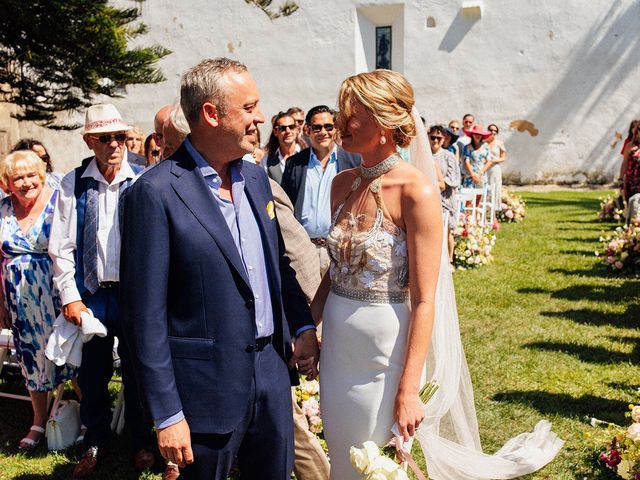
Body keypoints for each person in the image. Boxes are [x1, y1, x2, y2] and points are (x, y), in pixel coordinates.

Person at [313, 69, 563, 480]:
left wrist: (409, 390)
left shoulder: (416, 191)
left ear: (384, 122)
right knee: (343, 458)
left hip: (384, 352)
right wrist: (311, 322)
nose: (341, 123)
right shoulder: (341, 184)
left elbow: (426, 297)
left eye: (351, 113)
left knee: (374, 465)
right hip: (338, 347)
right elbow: (336, 267)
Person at [118, 57, 319, 480]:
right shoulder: (155, 193)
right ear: (211, 113)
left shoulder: (256, 178)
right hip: (202, 394)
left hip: (270, 376)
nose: (260, 117)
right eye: (249, 108)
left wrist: (300, 327)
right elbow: (143, 316)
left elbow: (275, 264)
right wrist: (168, 412)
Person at [49, 103, 154, 478]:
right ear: (89, 140)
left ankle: (142, 439)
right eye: (105, 138)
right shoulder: (73, 182)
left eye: (120, 137)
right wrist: (71, 299)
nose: (115, 145)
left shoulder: (144, 176)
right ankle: (96, 438)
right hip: (92, 294)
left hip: (134, 293)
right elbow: (60, 246)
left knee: (140, 369)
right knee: (92, 374)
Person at [0, 150, 78, 450]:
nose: (25, 182)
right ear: (7, 182)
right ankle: (38, 420)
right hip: (19, 303)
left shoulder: (57, 202)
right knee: (30, 359)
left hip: (55, 296)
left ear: (41, 175)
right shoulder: (3, 210)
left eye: (31, 175)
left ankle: (84, 419)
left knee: (69, 354)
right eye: (17, 177)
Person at [281, 105, 361, 275]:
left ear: (336, 129)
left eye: (328, 127)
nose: (323, 132)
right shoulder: (295, 164)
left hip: (341, 251)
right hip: (304, 250)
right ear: (308, 130)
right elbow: (285, 207)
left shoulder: (353, 162)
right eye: (317, 127)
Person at [429, 124, 460, 264]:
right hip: (427, 198)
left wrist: (437, 184)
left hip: (445, 198)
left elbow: (454, 178)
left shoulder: (448, 156)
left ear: (443, 140)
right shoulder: (424, 155)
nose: (435, 141)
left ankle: (449, 260)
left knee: (446, 230)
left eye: (438, 138)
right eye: (433, 137)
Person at [264, 111, 301, 184]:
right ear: (275, 132)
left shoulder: (308, 156)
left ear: (297, 129)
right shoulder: (266, 160)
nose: (288, 131)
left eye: (291, 127)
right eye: (282, 128)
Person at [486, 123, 506, 210]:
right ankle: (484, 208)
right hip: (485, 168)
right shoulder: (484, 142)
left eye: (495, 131)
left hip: (495, 168)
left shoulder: (499, 143)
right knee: (485, 187)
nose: (493, 132)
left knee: (495, 187)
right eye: (491, 130)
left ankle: (494, 210)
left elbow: (503, 158)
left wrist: (493, 161)